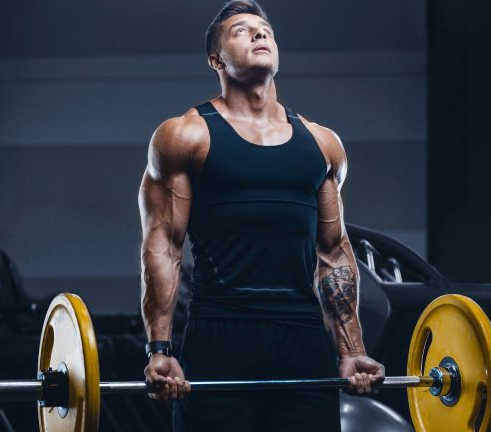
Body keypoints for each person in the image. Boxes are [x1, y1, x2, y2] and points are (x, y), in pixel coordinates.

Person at [138, 1, 385, 430]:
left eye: (264, 29)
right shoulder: (185, 135)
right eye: (240, 31)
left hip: (303, 340)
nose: (258, 35)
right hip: (220, 335)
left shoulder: (322, 144)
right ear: (216, 60)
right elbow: (163, 244)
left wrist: (350, 350)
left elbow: (333, 252)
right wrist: (160, 348)